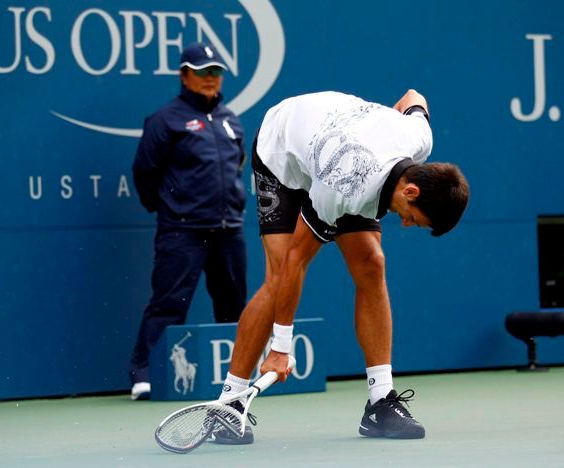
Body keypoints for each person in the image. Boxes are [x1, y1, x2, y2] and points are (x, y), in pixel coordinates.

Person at [215, 89, 469, 442]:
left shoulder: (417, 138)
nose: (407, 225)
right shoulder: (345, 187)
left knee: (371, 263)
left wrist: (382, 123)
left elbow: (414, 96)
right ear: (411, 191)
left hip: (340, 149)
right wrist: (280, 348)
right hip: (283, 152)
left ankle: (381, 402)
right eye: (414, 218)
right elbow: (296, 261)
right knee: (278, 279)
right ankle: (229, 406)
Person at [129, 42, 248, 401]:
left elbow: (237, 165)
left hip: (229, 230)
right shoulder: (165, 120)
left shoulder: (230, 120)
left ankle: (237, 379)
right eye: (202, 71)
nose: (211, 78)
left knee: (234, 307)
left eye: (216, 71)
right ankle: (145, 374)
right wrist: (172, 208)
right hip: (182, 231)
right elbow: (145, 174)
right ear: (184, 76)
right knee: (168, 304)